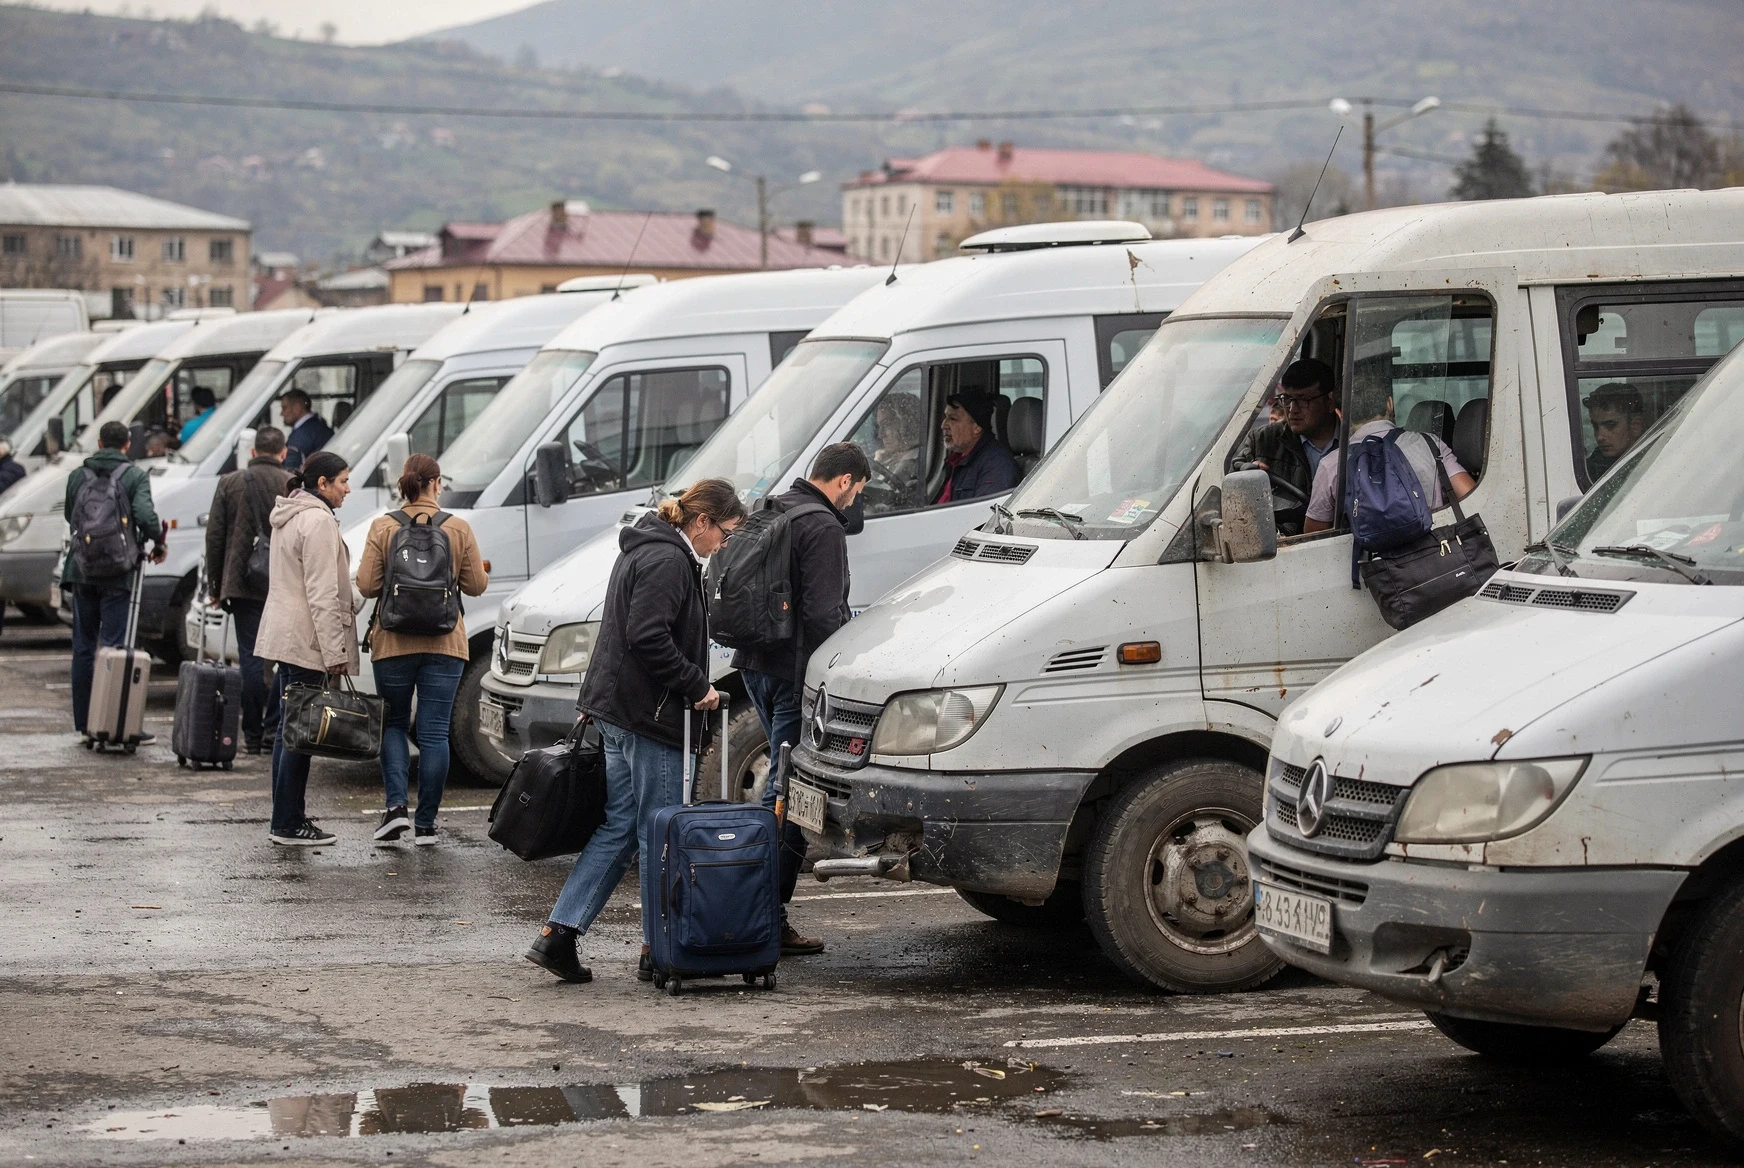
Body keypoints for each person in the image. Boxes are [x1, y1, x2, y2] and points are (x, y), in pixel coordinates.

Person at [526, 479, 746, 985]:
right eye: (726, 533)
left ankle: (558, 934)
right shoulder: (669, 560)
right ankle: (658, 949)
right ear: (702, 522)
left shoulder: (647, 548)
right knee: (660, 832)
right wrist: (697, 686)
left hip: (622, 711)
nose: (724, 544)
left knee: (622, 826)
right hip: (650, 716)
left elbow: (621, 632)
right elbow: (646, 635)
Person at [731, 443, 870, 957]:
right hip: (792, 677)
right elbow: (823, 614)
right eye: (857, 491)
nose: (855, 502)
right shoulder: (824, 526)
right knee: (786, 797)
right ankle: (762, 913)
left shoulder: (772, 508)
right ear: (844, 481)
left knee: (779, 786)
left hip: (752, 667)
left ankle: (756, 907)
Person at [355, 454, 489, 846]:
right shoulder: (458, 528)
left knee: (394, 724)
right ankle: (427, 825)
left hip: (393, 642)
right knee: (433, 733)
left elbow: (365, 585)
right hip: (446, 643)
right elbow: (477, 586)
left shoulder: (383, 527)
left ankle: (396, 809)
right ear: (435, 484)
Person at [254, 450, 357, 847]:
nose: (348, 489)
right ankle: (287, 823)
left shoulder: (293, 513)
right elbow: (320, 592)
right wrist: (335, 654)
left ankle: (287, 818)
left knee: (288, 730)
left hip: (287, 633)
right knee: (300, 733)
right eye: (343, 481)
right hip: (306, 638)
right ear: (323, 484)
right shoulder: (316, 520)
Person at [65, 420, 166, 741]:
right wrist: (158, 543)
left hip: (82, 568)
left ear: (98, 442)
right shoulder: (134, 476)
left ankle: (84, 723)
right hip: (119, 572)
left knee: (83, 647)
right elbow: (146, 517)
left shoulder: (77, 476)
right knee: (114, 646)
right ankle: (110, 722)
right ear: (126, 445)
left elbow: (72, 516)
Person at [204, 425, 292, 754]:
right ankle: (274, 729)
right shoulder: (292, 483)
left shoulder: (230, 482)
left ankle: (252, 735)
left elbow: (214, 537)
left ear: (253, 452)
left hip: (242, 582)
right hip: (283, 582)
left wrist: (216, 585)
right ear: (282, 453)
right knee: (284, 658)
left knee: (251, 659)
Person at [1302, 371, 1475, 535]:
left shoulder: (1332, 464)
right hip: (1437, 556)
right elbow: (1471, 498)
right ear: (1390, 404)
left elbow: (1313, 537)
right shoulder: (1430, 444)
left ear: (1340, 414)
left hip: (1370, 565)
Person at [1234, 357, 1341, 535]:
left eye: (1303, 399)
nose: (1292, 409)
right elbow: (1231, 495)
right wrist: (1248, 478)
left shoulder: (1352, 442)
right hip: (1281, 547)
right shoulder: (1263, 442)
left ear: (1329, 402)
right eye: (1287, 399)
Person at [933, 392, 1019, 504]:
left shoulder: (998, 464)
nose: (943, 425)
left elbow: (984, 516)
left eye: (953, 419)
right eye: (946, 417)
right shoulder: (956, 460)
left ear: (976, 428)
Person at [1583, 382, 1647, 481]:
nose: (1599, 436)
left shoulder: (1655, 464)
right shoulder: (1588, 471)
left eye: (1610, 426)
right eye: (1595, 426)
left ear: (1635, 426)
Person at [278, 389, 333, 471]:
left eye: (285, 408)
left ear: (297, 408)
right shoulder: (321, 427)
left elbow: (290, 469)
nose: (281, 413)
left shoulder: (300, 436)